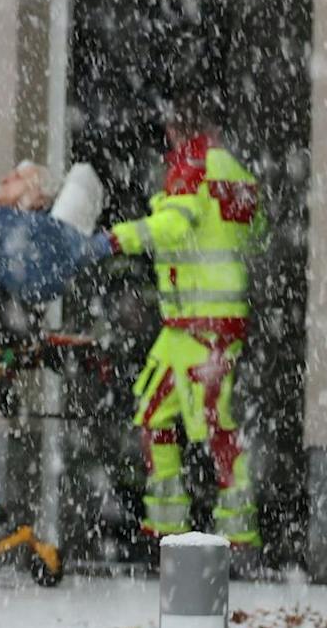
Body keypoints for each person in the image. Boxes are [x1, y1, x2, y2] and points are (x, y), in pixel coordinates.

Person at [83, 101, 263, 552]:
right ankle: (169, 525)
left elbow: (171, 226)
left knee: (213, 421)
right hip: (197, 323)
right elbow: (256, 233)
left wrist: (114, 240)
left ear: (177, 127)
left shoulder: (192, 166)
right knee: (155, 409)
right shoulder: (236, 173)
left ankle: (230, 529)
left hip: (200, 323)